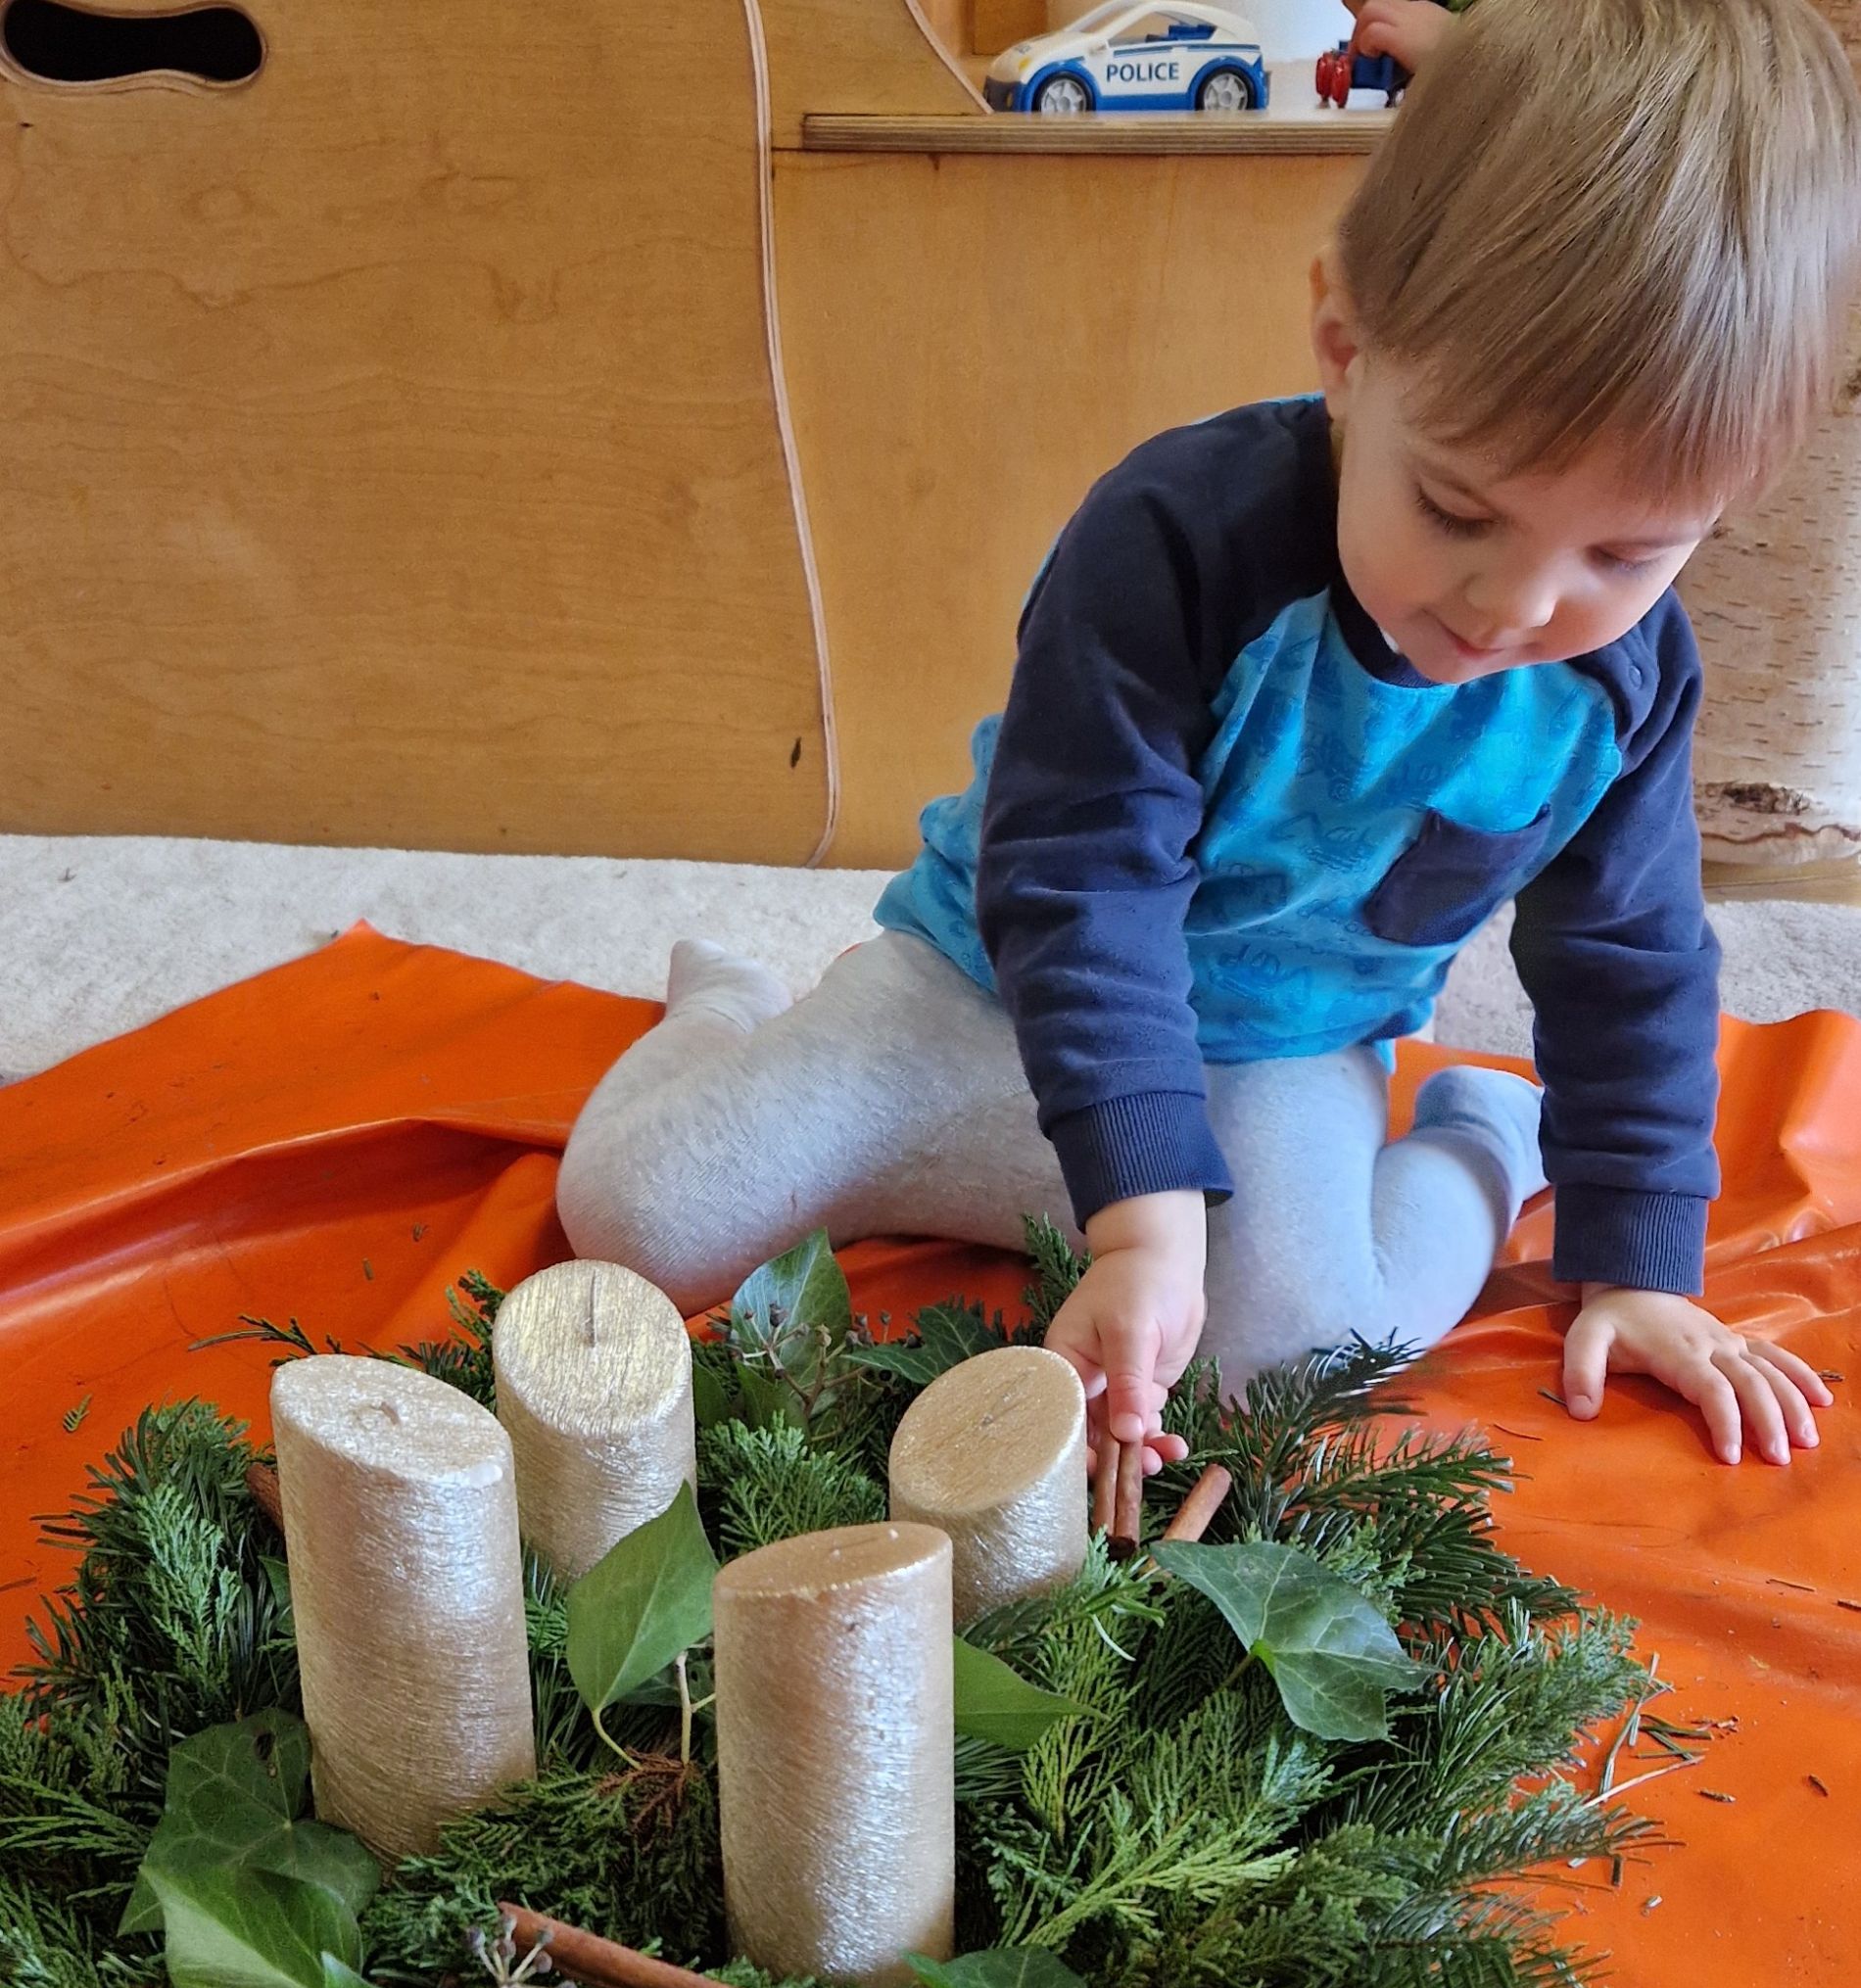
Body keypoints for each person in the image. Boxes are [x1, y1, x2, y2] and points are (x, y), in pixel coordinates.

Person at [558, 0, 1859, 1477]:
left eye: (1627, 554)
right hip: (985, 999)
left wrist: (1637, 1262)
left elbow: (1632, 957)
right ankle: (731, 1007)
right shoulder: (1174, 536)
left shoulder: (1623, 684)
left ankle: (1484, 1140)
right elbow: (1082, 875)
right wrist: (1143, 1223)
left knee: (1298, 1375)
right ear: (1345, 347)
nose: (1517, 606)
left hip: (1277, 1062)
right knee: (638, 1216)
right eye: (1457, 510)